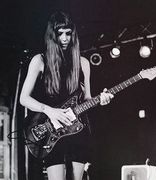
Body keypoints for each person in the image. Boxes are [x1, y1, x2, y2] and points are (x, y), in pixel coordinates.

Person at [20, 11, 114, 180]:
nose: (64, 39)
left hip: (77, 130)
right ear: (52, 35)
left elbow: (87, 99)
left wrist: (101, 100)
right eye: (60, 34)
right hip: (51, 129)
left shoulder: (83, 63)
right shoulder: (39, 60)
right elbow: (24, 99)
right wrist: (50, 111)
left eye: (68, 34)